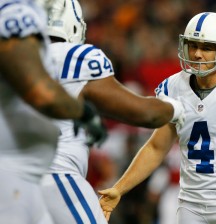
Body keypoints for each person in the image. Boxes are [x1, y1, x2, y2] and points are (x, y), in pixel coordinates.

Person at [98, 12, 216, 224]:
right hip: (191, 204)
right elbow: (157, 147)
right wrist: (119, 188)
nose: (196, 54)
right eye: (192, 45)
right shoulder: (173, 87)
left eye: (206, 47)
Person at [39, 0, 185, 223]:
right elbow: (146, 114)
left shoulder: (11, 58)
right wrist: (176, 107)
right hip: (54, 176)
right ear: (74, 26)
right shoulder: (75, 58)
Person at [0, 0, 106, 223]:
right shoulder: (80, 56)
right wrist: (172, 109)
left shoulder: (13, 50)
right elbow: (138, 110)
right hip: (56, 172)